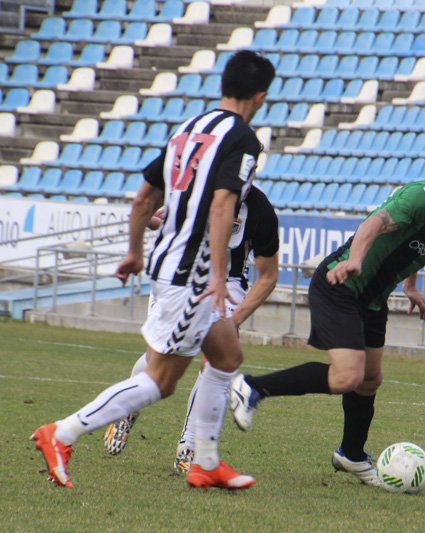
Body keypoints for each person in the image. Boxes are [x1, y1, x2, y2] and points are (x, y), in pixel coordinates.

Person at [30, 50, 275, 490]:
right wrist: (218, 274)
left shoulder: (187, 129)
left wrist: (134, 250)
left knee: (226, 356)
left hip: (171, 264)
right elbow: (222, 205)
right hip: (193, 275)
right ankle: (62, 434)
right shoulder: (243, 138)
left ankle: (205, 461)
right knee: (160, 381)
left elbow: (144, 196)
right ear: (260, 96)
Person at [226, 144, 425, 485]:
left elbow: (417, 244)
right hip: (341, 283)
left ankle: (351, 455)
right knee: (348, 377)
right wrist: (356, 260)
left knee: (370, 379)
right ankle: (252, 387)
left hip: (373, 299)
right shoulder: (424, 197)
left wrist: (410, 287)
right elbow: (375, 223)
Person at [103, 183, 279, 474]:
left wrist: (233, 321)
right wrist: (154, 219)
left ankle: (190, 447)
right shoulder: (197, 186)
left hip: (228, 284)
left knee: (215, 362)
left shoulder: (260, 210)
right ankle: (127, 408)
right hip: (179, 276)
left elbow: (269, 276)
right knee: (158, 359)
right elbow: (148, 211)